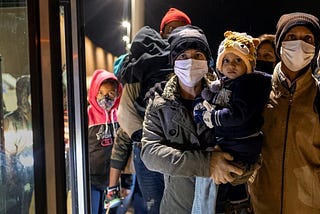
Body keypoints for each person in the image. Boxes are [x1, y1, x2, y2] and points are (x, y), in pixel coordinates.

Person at [140, 25, 244, 214]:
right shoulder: (159, 104)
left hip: (222, 205)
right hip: (177, 207)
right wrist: (207, 163)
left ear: (207, 61)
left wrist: (234, 172)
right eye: (183, 56)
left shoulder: (226, 99)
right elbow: (150, 154)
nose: (190, 62)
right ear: (174, 62)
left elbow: (247, 147)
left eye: (198, 56)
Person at [106, 7, 192, 214]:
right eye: (171, 28)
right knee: (155, 206)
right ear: (162, 32)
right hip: (148, 151)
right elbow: (125, 112)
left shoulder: (192, 62)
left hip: (183, 150)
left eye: (182, 29)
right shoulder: (144, 64)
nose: (176, 33)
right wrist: (146, 140)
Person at [192, 31, 271, 214]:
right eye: (226, 61)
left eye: (238, 61)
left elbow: (238, 114)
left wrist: (212, 117)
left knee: (233, 180)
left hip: (242, 145)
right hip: (230, 142)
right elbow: (216, 97)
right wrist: (206, 100)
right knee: (225, 182)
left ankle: (239, 203)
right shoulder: (227, 83)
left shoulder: (248, 85)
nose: (231, 66)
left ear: (249, 64)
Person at [248, 12, 320, 214]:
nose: (300, 45)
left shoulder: (318, 95)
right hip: (262, 203)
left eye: (308, 39)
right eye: (291, 37)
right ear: (279, 44)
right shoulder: (258, 91)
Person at [87, 69, 123, 214]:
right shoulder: (86, 116)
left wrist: (126, 182)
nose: (105, 98)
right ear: (94, 91)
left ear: (117, 94)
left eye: (110, 94)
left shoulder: (119, 117)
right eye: (101, 92)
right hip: (91, 180)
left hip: (113, 181)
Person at [3, 75, 33, 214]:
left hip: (37, 171)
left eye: (27, 92)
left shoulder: (42, 117)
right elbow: (9, 154)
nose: (24, 97)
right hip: (20, 173)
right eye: (22, 92)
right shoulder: (11, 120)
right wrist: (11, 176)